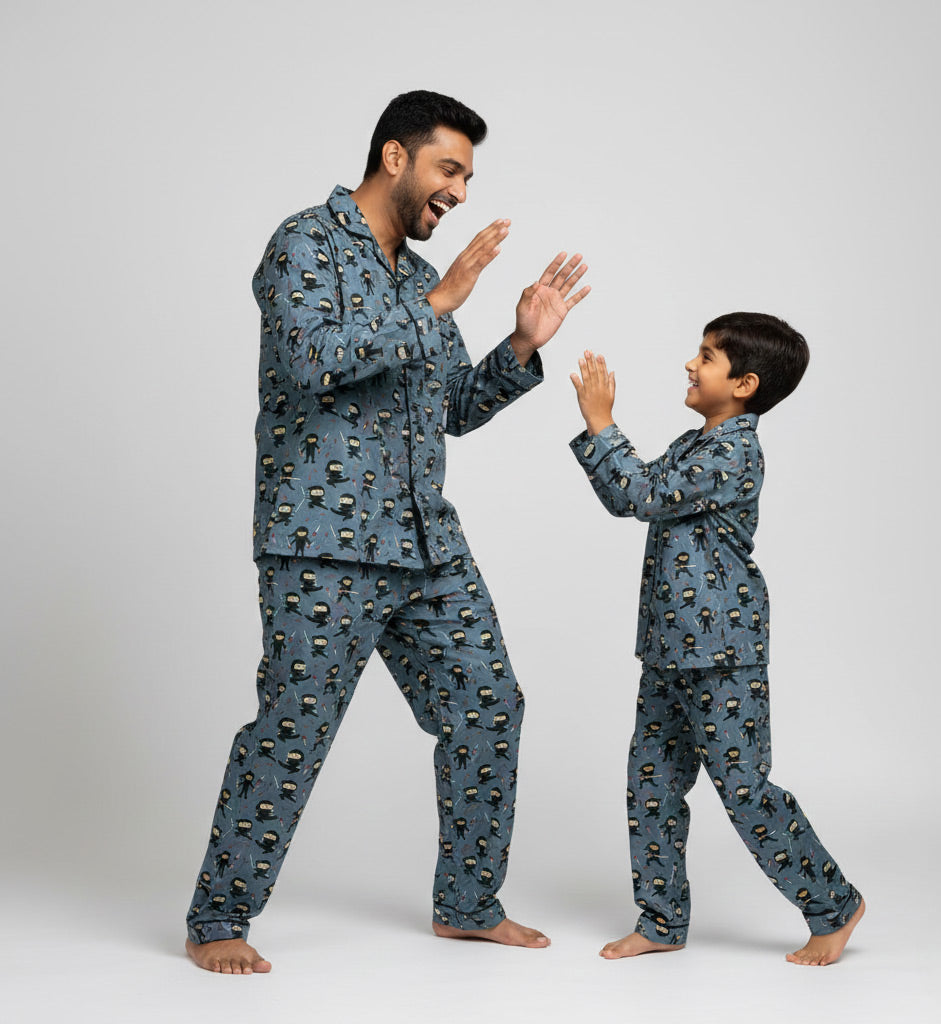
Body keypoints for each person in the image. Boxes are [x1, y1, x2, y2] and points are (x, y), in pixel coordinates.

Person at [185, 89, 589, 974]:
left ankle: (467, 905)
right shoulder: (304, 243)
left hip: (426, 544)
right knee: (293, 728)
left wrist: (520, 346)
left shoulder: (414, 278)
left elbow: (447, 408)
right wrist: (442, 302)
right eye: (451, 170)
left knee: (490, 706)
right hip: (322, 542)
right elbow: (309, 361)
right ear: (396, 157)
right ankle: (219, 918)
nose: (461, 193)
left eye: (470, 178)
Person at [568, 313, 864, 966]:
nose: (690, 365)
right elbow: (638, 492)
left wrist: (600, 421)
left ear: (745, 384)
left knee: (744, 790)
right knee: (651, 786)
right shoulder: (695, 441)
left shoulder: (734, 451)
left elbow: (638, 494)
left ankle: (834, 906)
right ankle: (661, 920)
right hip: (669, 651)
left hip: (722, 654)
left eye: (705, 357)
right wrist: (605, 432)